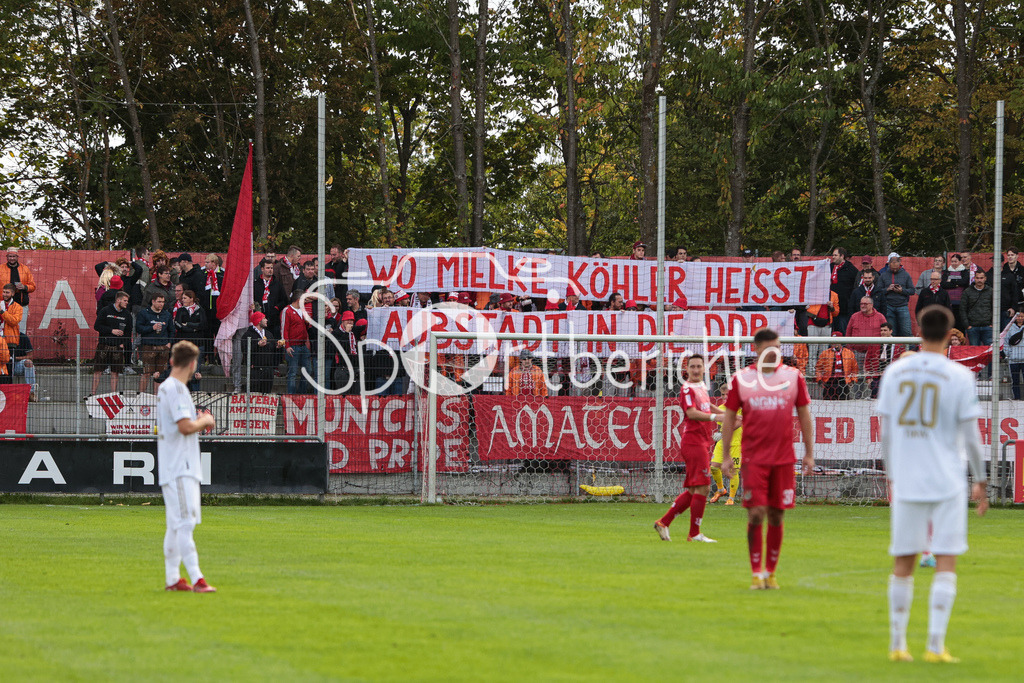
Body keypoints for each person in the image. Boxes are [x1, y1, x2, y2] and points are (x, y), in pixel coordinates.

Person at [876, 305, 988, 663]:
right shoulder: (959, 376)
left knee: (903, 562)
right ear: (951, 332)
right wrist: (981, 479)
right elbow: (971, 435)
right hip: (947, 479)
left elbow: (886, 429)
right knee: (946, 560)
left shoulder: (895, 372)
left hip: (908, 478)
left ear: (918, 330)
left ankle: (897, 645)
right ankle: (935, 646)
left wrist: (892, 472)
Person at [721, 327, 814, 590]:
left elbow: (804, 415)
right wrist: (727, 454)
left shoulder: (793, 376)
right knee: (756, 514)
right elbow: (729, 418)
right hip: (754, 460)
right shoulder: (742, 379)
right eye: (769, 348)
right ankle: (756, 573)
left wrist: (809, 453)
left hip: (784, 459)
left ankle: (771, 573)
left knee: (776, 515)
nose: (774, 353)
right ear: (756, 350)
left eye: (778, 347)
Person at [157, 340, 217, 593]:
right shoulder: (176, 389)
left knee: (176, 524)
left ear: (172, 361)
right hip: (180, 466)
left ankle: (173, 579)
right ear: (193, 364)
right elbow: (184, 426)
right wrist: (205, 420)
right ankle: (197, 578)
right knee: (184, 523)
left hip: (177, 464)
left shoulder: (167, 387)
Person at [654, 354, 723, 543]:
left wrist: (724, 413)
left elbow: (706, 405)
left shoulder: (701, 386)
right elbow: (692, 413)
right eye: (692, 367)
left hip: (701, 441)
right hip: (693, 443)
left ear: (703, 368)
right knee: (704, 487)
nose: (695, 370)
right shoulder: (686, 389)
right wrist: (717, 418)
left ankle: (663, 522)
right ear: (687, 369)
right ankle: (694, 533)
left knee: (695, 489)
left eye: (698, 366)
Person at [92, 290, 131, 394]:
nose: (127, 303)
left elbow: (128, 332)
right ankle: (93, 393)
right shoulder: (105, 311)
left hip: (117, 346)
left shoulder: (127, 315)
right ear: (118, 300)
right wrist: (111, 330)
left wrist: (123, 343)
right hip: (104, 344)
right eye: (125, 300)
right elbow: (97, 326)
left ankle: (113, 394)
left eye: (127, 301)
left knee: (115, 372)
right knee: (98, 370)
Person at [136, 293, 173, 394]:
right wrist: (151, 328)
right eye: (159, 302)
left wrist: (169, 342)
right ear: (153, 301)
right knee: (147, 372)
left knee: (160, 374)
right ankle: (141, 396)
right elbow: (139, 328)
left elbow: (171, 330)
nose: (161, 304)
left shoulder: (167, 314)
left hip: (163, 347)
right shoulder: (144, 313)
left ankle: (157, 398)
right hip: (148, 346)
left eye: (163, 302)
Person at [281, 289, 312, 394]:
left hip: (303, 345)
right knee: (292, 372)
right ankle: (291, 395)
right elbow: (284, 329)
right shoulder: (287, 310)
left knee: (308, 370)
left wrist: (307, 323)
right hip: (293, 346)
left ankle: (301, 393)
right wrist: (287, 346)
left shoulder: (303, 311)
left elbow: (305, 326)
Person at [710, 409, 743, 505]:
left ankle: (731, 498)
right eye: (723, 394)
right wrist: (719, 433)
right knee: (714, 467)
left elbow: (740, 422)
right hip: (722, 443)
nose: (725, 397)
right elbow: (721, 425)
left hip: (736, 444)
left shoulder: (741, 407)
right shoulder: (721, 407)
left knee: (734, 470)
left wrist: (724, 432)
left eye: (727, 394)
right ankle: (721, 489)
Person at [878, 253, 915, 338]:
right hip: (888, 306)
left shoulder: (906, 275)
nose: (895, 268)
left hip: (903, 306)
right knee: (891, 333)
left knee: (907, 331)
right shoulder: (883, 275)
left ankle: (911, 350)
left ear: (899, 263)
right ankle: (891, 351)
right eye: (892, 267)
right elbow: (878, 291)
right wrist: (887, 289)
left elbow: (912, 290)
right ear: (889, 264)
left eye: (896, 266)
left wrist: (902, 291)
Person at [240, 311, 277, 393]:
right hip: (255, 370)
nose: (266, 320)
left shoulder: (269, 334)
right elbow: (244, 349)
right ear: (258, 321)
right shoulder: (247, 335)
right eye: (264, 318)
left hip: (268, 370)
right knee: (254, 395)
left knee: (267, 394)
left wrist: (278, 346)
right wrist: (257, 345)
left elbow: (273, 349)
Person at [1, 247, 36, 333]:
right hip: (4, 305)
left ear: (17, 257)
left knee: (21, 332)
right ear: (7, 257)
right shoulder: (1, 268)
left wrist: (24, 287)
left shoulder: (25, 269)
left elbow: (33, 286)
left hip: (21, 304)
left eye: (14, 256)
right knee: (3, 330)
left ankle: (20, 346)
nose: (12, 258)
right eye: (10, 256)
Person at [815, 331, 858, 400]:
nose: (835, 343)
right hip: (829, 381)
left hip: (843, 381)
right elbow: (818, 368)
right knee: (828, 402)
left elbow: (854, 368)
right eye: (833, 340)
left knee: (844, 403)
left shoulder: (849, 353)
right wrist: (819, 379)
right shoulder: (825, 353)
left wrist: (852, 380)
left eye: (837, 340)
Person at [993, 246, 1024, 332]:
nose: (1010, 257)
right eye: (1008, 255)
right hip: (1007, 306)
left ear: (1017, 256)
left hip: (1020, 304)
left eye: (1012, 255)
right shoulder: (1003, 270)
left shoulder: (1022, 270)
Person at [959, 270, 992, 347]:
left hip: (987, 326)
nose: (979, 280)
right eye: (977, 278)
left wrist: (992, 323)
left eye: (981, 278)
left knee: (990, 351)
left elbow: (995, 307)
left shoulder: (991, 291)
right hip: (972, 327)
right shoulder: (967, 292)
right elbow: (962, 309)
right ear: (974, 278)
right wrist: (967, 325)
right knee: (974, 351)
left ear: (985, 278)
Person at [829, 247, 858, 333]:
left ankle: (843, 346)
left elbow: (855, 286)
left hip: (843, 308)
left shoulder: (851, 269)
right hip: (829, 307)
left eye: (835, 255)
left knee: (842, 330)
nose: (833, 257)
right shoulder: (829, 267)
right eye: (832, 255)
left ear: (842, 256)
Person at [942, 253, 969, 330]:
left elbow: (964, 282)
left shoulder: (965, 272)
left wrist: (950, 281)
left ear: (960, 262)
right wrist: (957, 284)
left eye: (955, 261)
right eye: (952, 261)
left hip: (960, 303)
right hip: (948, 303)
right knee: (949, 325)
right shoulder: (946, 272)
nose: (953, 263)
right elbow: (944, 284)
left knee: (960, 325)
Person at [1001, 311, 1024, 400]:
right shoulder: (1010, 329)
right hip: (1013, 360)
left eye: (1022, 316)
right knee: (1015, 380)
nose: (1020, 318)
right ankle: (1016, 397)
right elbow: (1005, 342)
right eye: (1018, 316)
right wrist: (1009, 354)